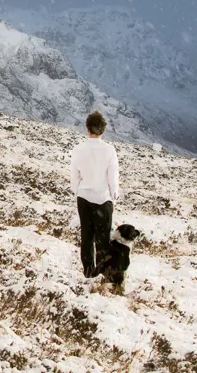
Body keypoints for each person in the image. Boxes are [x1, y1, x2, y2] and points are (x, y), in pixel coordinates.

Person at [70, 109, 120, 278]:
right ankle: (102, 272)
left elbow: (74, 175)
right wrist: (114, 194)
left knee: (87, 237)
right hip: (102, 198)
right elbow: (113, 176)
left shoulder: (79, 149)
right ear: (103, 130)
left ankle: (88, 272)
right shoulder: (109, 150)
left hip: (84, 197)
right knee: (103, 239)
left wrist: (77, 190)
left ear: (88, 129)